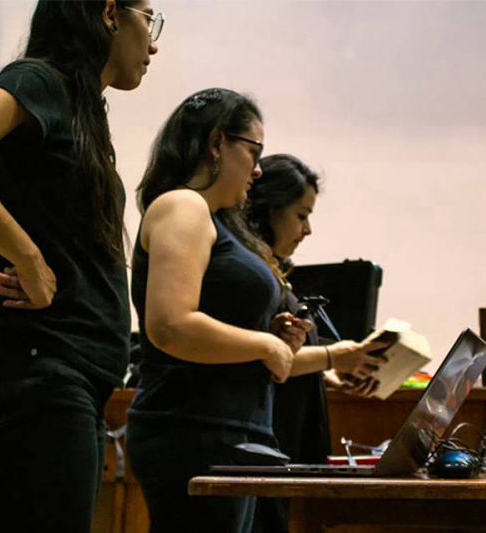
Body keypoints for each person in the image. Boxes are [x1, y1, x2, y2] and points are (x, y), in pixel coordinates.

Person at [0, 1, 161, 530]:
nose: (154, 42)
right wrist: (27, 257)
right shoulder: (42, 81)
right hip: (41, 372)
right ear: (109, 13)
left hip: (59, 375)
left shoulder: (79, 107)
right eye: (149, 17)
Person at [126, 88, 385, 532]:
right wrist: (265, 344)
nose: (259, 168)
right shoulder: (183, 206)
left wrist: (273, 338)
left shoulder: (215, 219)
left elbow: (214, 330)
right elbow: (170, 325)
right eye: (254, 151)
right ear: (216, 143)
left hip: (227, 431)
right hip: (194, 428)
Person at [245, 154, 381, 532]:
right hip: (263, 443)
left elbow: (283, 352)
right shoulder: (251, 275)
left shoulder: (271, 269)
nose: (307, 230)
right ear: (269, 210)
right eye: (301, 215)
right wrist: (332, 356)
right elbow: (263, 358)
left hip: (282, 444)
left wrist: (327, 374)